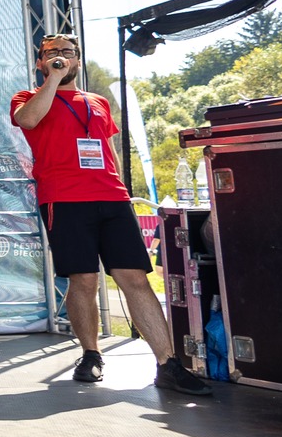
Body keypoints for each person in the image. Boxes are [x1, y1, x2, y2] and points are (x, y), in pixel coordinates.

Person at [11, 33, 211, 395]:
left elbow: (107, 147)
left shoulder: (97, 101)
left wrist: (121, 189)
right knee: (84, 280)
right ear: (40, 62)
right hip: (64, 200)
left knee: (135, 278)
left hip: (112, 198)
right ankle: (91, 354)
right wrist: (53, 79)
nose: (60, 56)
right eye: (52, 53)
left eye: (67, 52)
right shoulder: (28, 97)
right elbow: (28, 120)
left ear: (78, 60)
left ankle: (167, 364)